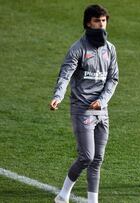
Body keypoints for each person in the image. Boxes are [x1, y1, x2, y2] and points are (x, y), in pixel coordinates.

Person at [50, 4, 119, 203]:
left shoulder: (110, 49)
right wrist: (58, 96)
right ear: (88, 23)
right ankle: (63, 194)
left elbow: (113, 79)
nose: (101, 25)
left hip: (102, 110)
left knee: (97, 160)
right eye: (97, 21)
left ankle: (92, 201)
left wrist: (102, 100)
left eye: (104, 21)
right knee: (86, 157)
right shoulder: (77, 49)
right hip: (82, 109)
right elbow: (65, 75)